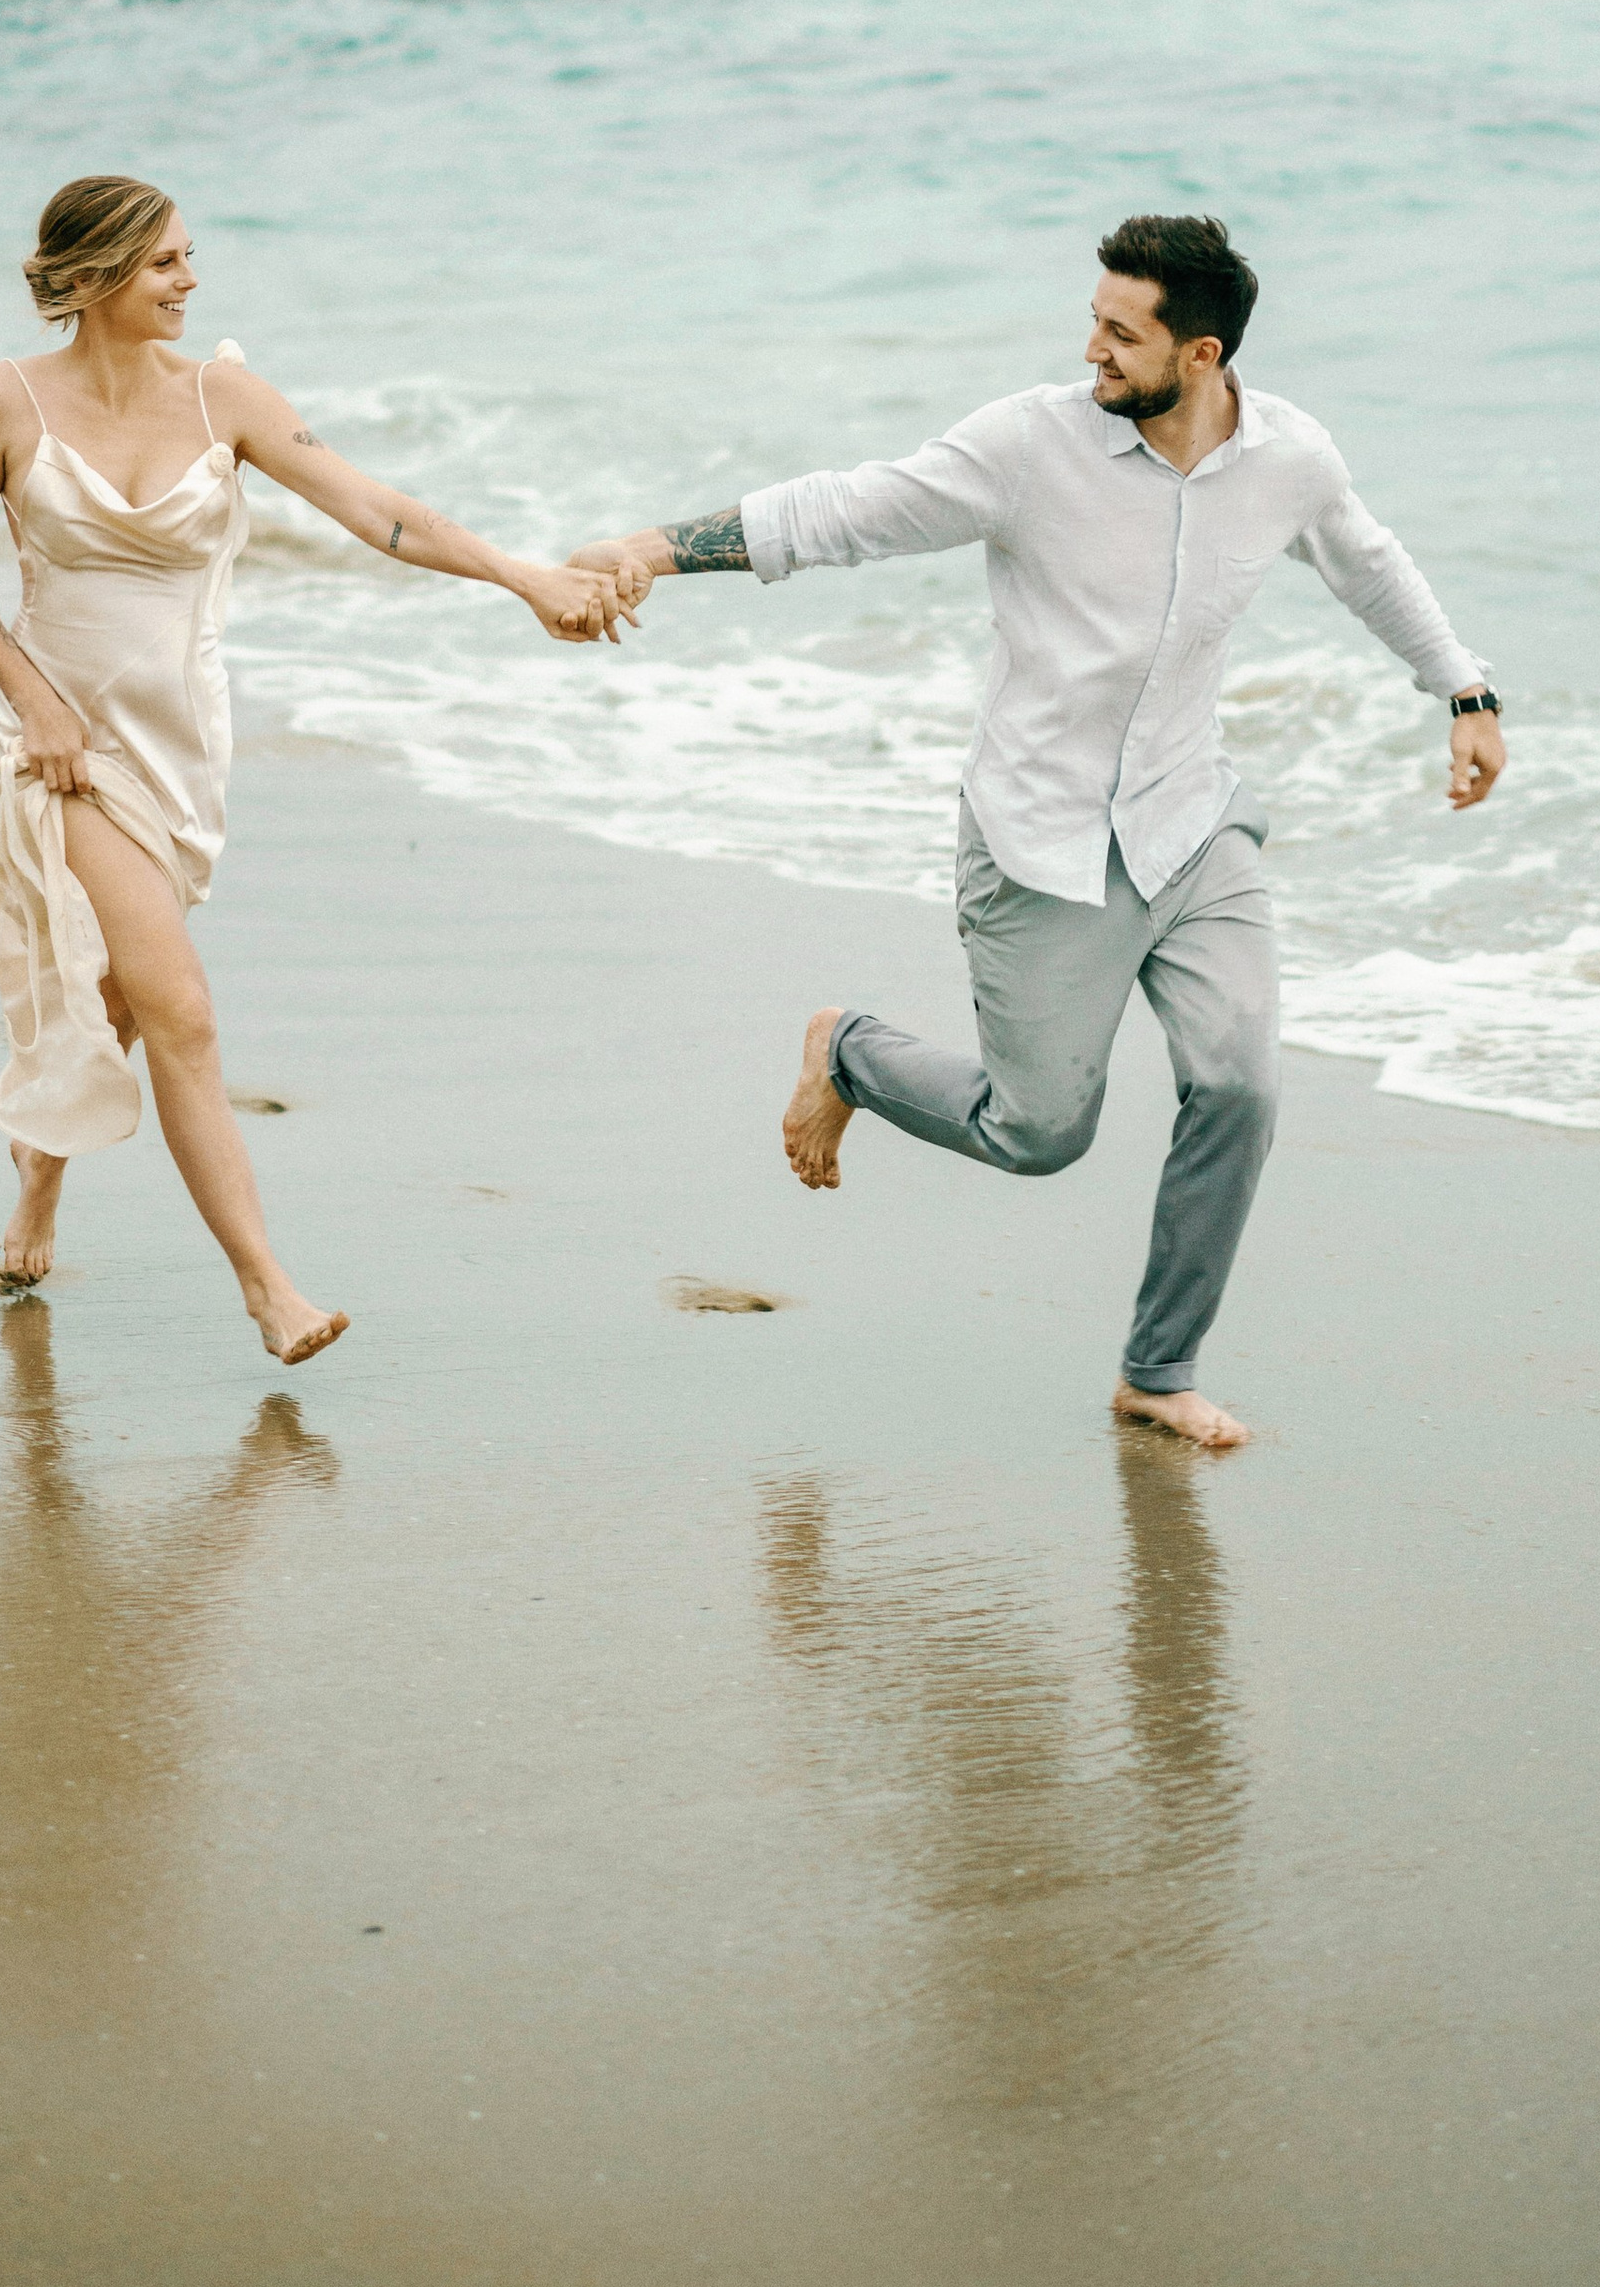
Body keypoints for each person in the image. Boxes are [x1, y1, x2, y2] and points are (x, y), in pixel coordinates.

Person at [575, 214, 1504, 1452]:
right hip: (1040, 842)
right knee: (1037, 1135)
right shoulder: (1028, 445)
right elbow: (848, 511)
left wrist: (1464, 692)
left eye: (1122, 333)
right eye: (1093, 321)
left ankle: (1156, 1372)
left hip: (1191, 823)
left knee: (1239, 1086)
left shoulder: (1290, 458)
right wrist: (651, 549)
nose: (1092, 351)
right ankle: (849, 1053)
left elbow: (1368, 565)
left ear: (1203, 354)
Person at [0, 174, 633, 1362]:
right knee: (181, 1010)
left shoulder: (226, 398)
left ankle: (37, 1178)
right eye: (165, 263)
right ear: (94, 275)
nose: (190, 281)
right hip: (62, 746)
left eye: (189, 256)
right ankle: (270, 1292)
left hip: (180, 744)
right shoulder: (4, 400)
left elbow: (378, 513)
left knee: (119, 999)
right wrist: (34, 702)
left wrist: (524, 579)